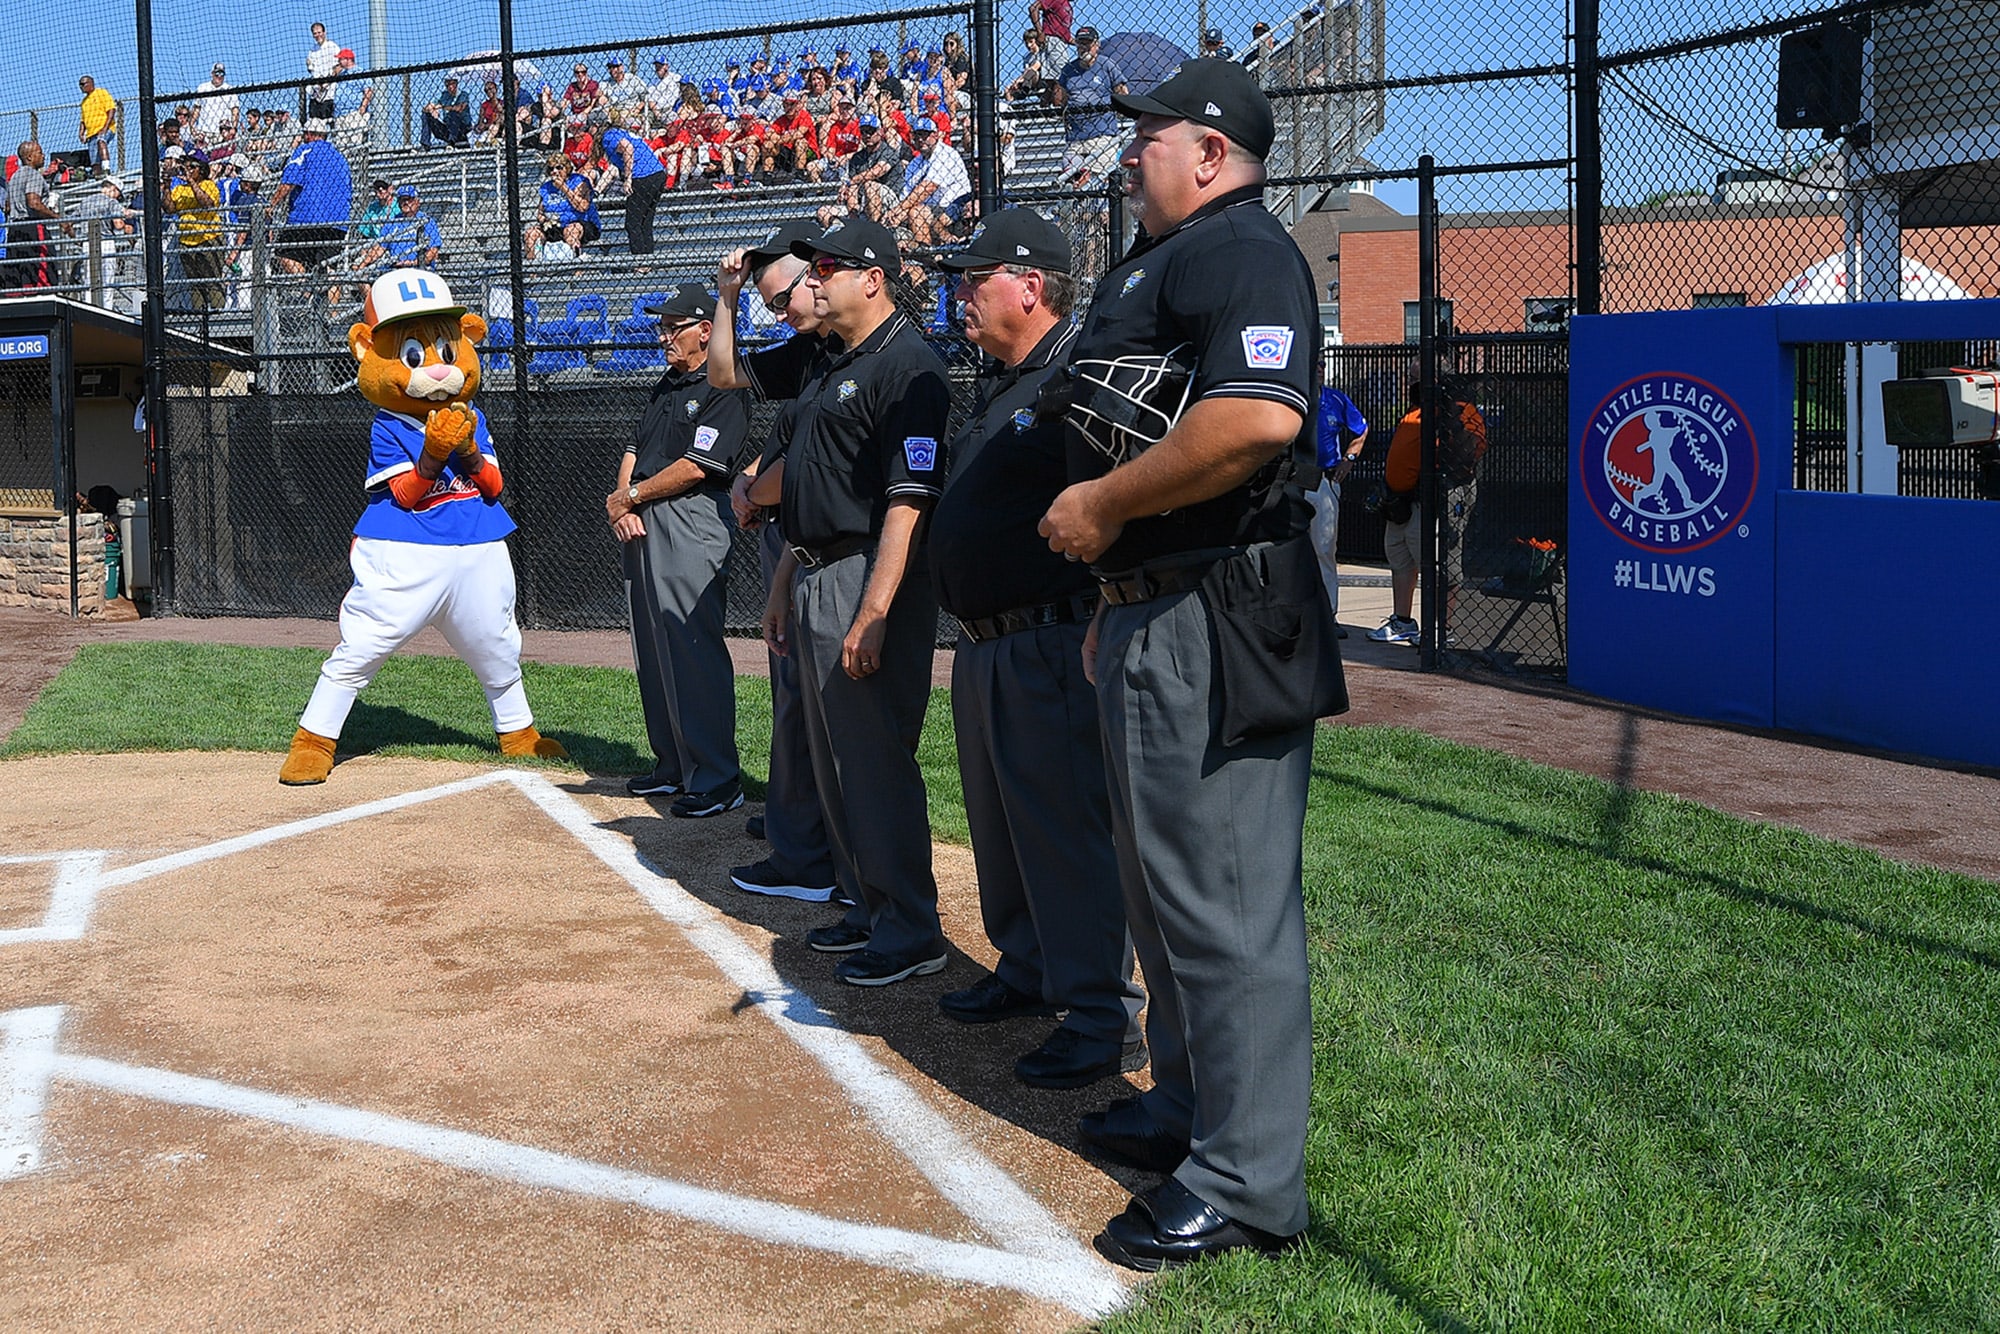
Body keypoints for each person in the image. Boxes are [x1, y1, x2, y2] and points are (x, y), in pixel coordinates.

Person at [1037, 58, 1339, 1270]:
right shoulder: (1174, 252)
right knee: (1167, 897)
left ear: (1209, 151)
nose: (1129, 152)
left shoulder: (1240, 248)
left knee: (1224, 905)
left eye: (1147, 134)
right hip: (1161, 604)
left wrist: (1105, 505)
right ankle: (1185, 1106)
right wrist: (1117, 588)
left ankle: (1249, 1178)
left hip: (1220, 604)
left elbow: (1258, 416)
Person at [930, 208, 1147, 1088]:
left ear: (1030, 285)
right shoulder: (1005, 383)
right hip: (985, 645)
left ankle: (1100, 1015)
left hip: (1049, 639)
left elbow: (1113, 502)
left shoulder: (1075, 379)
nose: (959, 297)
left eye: (974, 280)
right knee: (1002, 824)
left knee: (1065, 831)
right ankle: (1025, 969)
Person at [723, 218, 953, 987]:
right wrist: (785, 583)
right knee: (837, 764)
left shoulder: (907, 363)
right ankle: (866, 901)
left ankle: (910, 927)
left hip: (865, 573)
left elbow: (906, 503)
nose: (813, 280)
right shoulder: (836, 363)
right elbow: (814, 488)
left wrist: (874, 610)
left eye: (830, 267)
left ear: (874, 278)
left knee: (875, 761)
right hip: (819, 567)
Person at [707, 220, 839, 901]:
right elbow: (725, 373)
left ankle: (813, 852)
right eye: (767, 303)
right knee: (796, 702)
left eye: (779, 296)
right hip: (801, 548)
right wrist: (728, 297)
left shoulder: (863, 356)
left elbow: (824, 455)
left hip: (840, 556)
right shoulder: (811, 352)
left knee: (819, 709)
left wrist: (758, 486)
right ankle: (802, 835)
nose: (777, 312)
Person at [607, 282, 753, 816]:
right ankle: (673, 764)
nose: (664, 334)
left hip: (691, 517)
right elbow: (633, 447)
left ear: (706, 332)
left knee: (691, 646)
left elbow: (699, 467)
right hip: (644, 519)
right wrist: (625, 505)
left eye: (675, 326)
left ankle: (716, 778)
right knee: (653, 648)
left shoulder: (725, 385)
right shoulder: (667, 383)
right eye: (663, 325)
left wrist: (632, 496)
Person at [1366, 381, 1485, 646]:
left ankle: (1439, 628)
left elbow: (1471, 452)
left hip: (1432, 499)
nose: (1415, 384)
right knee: (1400, 558)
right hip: (1401, 501)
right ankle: (1402, 621)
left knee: (1439, 563)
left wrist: (1450, 420)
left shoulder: (1461, 411)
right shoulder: (1414, 412)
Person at [1308, 387, 1368, 631]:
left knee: (1324, 549)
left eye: (1323, 363)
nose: (1320, 368)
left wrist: (1349, 459)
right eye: (1316, 363)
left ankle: (1328, 615)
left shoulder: (1335, 399)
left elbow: (1361, 430)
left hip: (1325, 482)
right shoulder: (1296, 392)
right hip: (1292, 481)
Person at [269, 119, 351, 278]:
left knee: (283, 253)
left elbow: (289, 181)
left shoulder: (304, 150)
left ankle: (306, 289)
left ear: (309, 134)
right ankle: (330, 301)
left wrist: (271, 205)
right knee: (329, 267)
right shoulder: (340, 157)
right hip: (336, 220)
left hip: (305, 218)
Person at [1051, 27, 1127, 188]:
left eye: (1088, 43)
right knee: (1071, 180)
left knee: (1101, 183)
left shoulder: (1107, 65)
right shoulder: (1069, 69)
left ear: (1096, 45)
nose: (1083, 47)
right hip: (1076, 138)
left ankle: (1103, 213)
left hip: (1102, 134)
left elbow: (1122, 92)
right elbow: (1060, 99)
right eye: (1080, 43)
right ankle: (1077, 211)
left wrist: (1118, 108)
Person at [882, 118, 970, 245]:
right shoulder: (915, 163)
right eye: (917, 135)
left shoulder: (946, 154)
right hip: (927, 209)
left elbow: (928, 187)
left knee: (916, 212)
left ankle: (926, 255)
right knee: (890, 219)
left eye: (924, 134)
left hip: (952, 207)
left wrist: (899, 209)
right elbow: (906, 195)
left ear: (935, 135)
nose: (920, 139)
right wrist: (898, 214)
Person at [165, 152, 226, 309]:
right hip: (186, 241)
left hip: (208, 239)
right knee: (195, 284)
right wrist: (166, 185)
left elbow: (207, 203)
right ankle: (199, 316)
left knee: (212, 281)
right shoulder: (179, 189)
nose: (188, 169)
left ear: (202, 169)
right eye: (186, 166)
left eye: (192, 167)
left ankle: (217, 315)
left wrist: (191, 181)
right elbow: (169, 208)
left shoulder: (209, 185)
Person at [601, 108, 666, 254]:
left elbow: (627, 148)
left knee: (632, 223)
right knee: (645, 221)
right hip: (657, 173)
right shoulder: (621, 132)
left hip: (642, 175)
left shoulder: (609, 135)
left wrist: (628, 178)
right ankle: (647, 259)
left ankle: (639, 260)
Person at [5, 141, 60, 289]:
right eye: (40, 152)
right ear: (29, 157)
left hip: (15, 229)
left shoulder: (15, 177)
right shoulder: (33, 174)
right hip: (32, 226)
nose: (43, 156)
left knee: (19, 273)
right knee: (43, 271)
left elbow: (7, 207)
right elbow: (34, 203)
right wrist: (56, 217)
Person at [523, 151, 597, 259]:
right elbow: (540, 213)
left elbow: (582, 207)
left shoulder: (579, 181)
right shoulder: (546, 188)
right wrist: (545, 220)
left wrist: (563, 188)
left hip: (578, 223)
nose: (555, 171)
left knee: (571, 231)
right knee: (530, 234)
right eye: (551, 168)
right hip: (553, 226)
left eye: (559, 167)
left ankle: (578, 272)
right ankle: (532, 273)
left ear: (566, 169)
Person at [361, 185, 441, 269]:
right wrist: (362, 264)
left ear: (417, 201)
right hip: (396, 268)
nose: (406, 202)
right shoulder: (392, 222)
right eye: (402, 200)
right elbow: (379, 248)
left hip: (419, 268)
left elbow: (433, 251)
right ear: (398, 203)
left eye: (409, 199)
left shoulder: (427, 221)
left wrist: (412, 263)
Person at [78, 76, 118, 172]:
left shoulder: (101, 93)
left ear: (91, 83)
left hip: (105, 129)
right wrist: (81, 133)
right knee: (94, 161)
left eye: (83, 84)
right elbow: (83, 120)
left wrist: (105, 128)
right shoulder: (84, 102)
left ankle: (106, 168)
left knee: (101, 141)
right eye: (80, 84)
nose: (81, 86)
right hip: (91, 134)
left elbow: (111, 110)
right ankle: (98, 176)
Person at [421, 73, 471, 148]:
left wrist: (441, 107)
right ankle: (425, 144)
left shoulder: (463, 95)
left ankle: (451, 142)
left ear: (456, 83)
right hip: (448, 128)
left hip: (461, 128)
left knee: (453, 114)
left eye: (452, 84)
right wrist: (431, 109)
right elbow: (433, 105)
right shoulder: (445, 96)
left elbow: (459, 108)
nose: (449, 87)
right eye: (447, 85)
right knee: (426, 115)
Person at [305, 22, 341, 121]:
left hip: (329, 92)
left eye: (319, 32)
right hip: (316, 92)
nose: (317, 35)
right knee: (314, 122)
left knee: (327, 120)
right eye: (315, 33)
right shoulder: (312, 50)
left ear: (324, 32)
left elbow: (338, 66)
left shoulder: (333, 46)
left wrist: (327, 81)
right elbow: (311, 69)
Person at [192, 65, 237, 143]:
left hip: (222, 131)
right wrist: (192, 125)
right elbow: (197, 108)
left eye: (222, 74)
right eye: (217, 73)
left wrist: (234, 127)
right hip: (203, 130)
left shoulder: (230, 89)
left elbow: (235, 111)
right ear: (212, 74)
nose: (219, 76)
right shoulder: (202, 88)